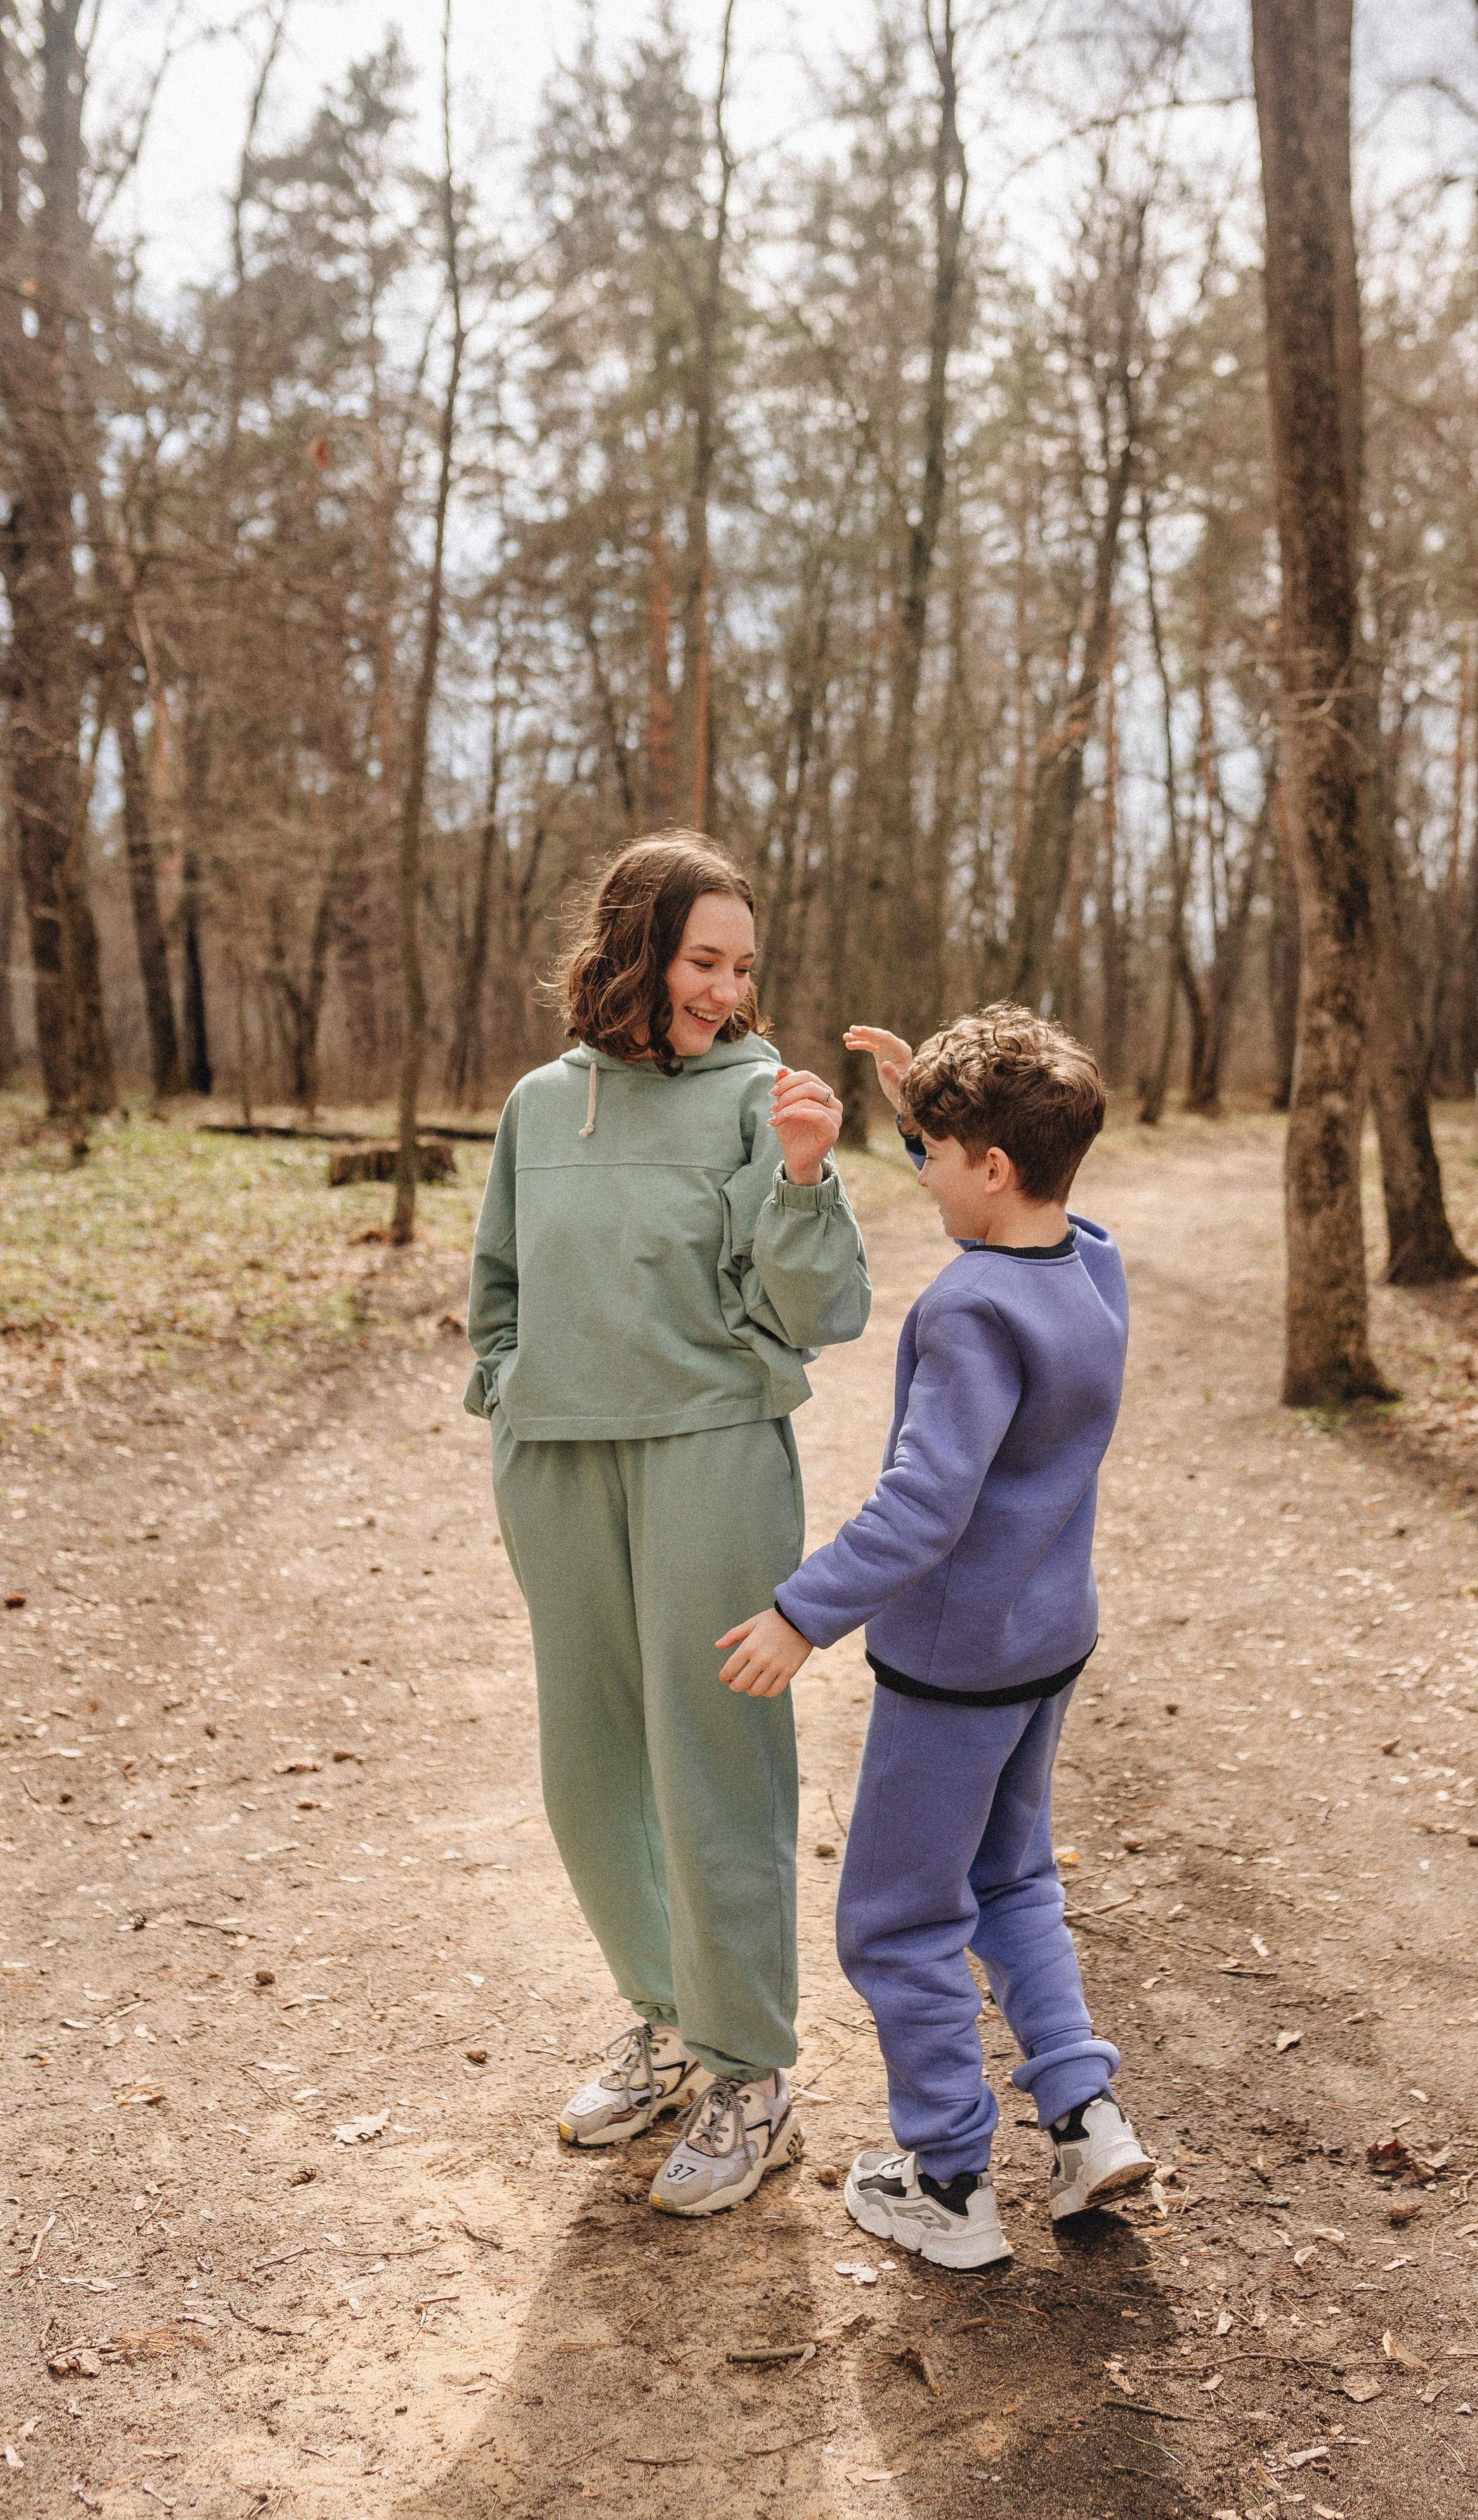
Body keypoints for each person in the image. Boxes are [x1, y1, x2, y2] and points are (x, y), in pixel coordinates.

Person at [465, 831, 870, 2218]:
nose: (724, 988)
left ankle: (750, 2070)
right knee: (588, 1771)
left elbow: (822, 1311)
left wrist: (807, 1176)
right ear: (634, 949)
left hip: (707, 1453)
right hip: (558, 1460)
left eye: (742, 966)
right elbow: (498, 1279)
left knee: (712, 1764)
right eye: (703, 960)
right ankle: (662, 2018)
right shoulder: (538, 1106)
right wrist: (509, 1390)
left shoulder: (768, 1096)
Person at [717, 1004, 1151, 2269]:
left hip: (955, 1670)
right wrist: (947, 1106)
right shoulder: (1090, 1266)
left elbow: (923, 1505)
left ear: (992, 1167)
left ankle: (950, 2179)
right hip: (1047, 1644)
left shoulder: (968, 1309)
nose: (919, 1169)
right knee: (1013, 1879)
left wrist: (807, 1613)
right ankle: (1082, 2113)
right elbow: (1030, 1181)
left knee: (898, 1921)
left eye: (932, 1153)